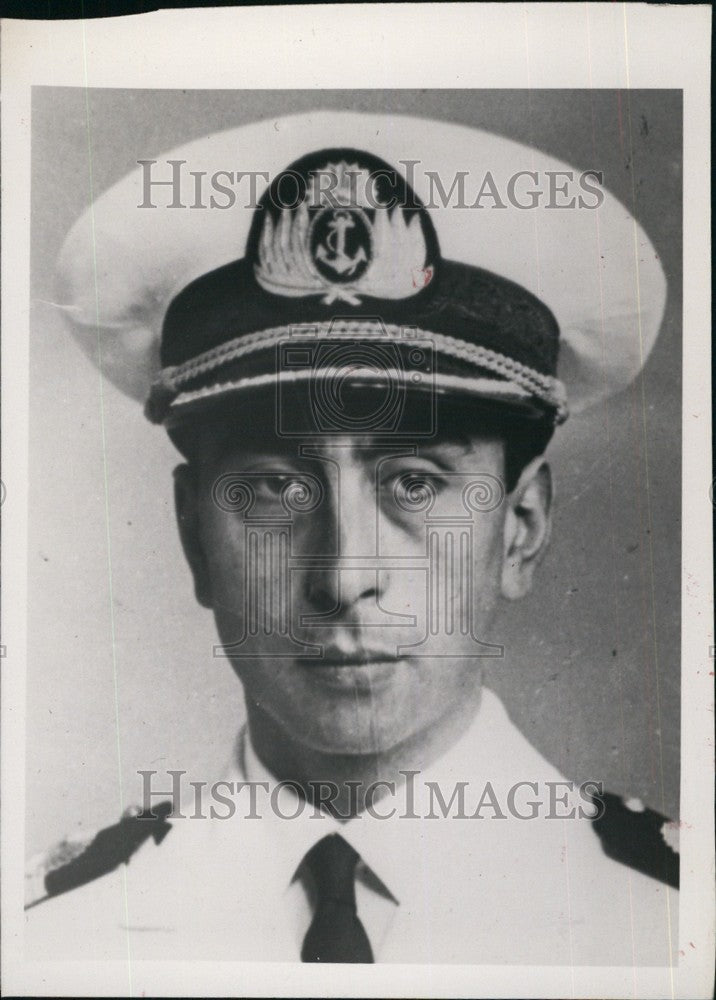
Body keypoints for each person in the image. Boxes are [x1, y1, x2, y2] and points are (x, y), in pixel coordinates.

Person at [25, 112, 678, 966]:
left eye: (415, 483)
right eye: (274, 487)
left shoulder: (665, 922)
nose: (342, 575)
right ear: (193, 536)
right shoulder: (51, 938)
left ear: (521, 531)